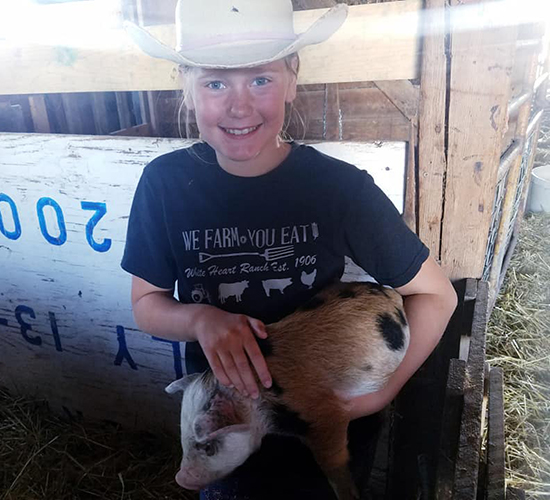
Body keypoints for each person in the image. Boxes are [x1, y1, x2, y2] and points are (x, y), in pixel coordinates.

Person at [121, 1, 458, 499]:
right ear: (186, 87)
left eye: (260, 80)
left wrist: (376, 396)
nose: (239, 106)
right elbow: (146, 303)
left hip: (327, 444)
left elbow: (437, 296)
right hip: (221, 435)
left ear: (293, 79)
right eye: (215, 83)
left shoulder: (339, 189)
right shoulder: (165, 185)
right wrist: (198, 319)